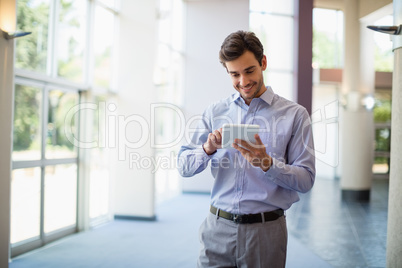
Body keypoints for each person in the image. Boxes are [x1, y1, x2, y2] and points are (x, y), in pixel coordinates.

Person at [177, 30, 315, 268]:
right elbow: (183, 166)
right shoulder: (215, 112)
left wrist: (267, 164)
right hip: (216, 230)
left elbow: (306, 180)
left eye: (249, 70)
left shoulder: (295, 115)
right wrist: (207, 148)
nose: (243, 82)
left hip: (266, 233)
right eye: (234, 74)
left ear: (263, 62)